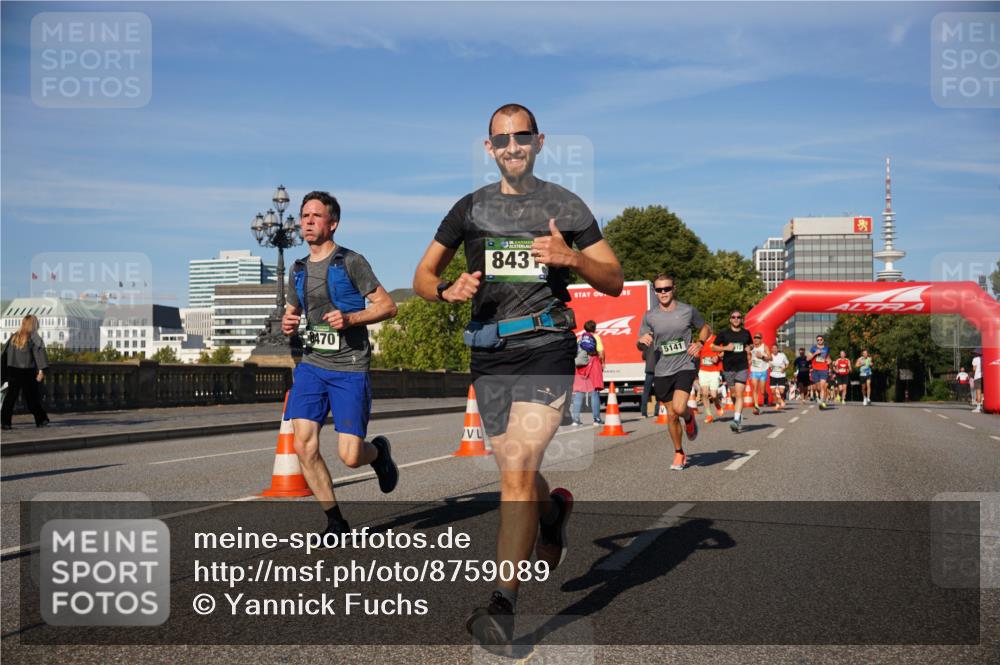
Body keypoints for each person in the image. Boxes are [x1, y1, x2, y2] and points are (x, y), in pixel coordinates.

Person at [412, 103, 623, 649]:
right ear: (489, 148)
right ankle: (553, 515)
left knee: (517, 471)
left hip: (547, 344)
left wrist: (571, 259)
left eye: (521, 137)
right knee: (518, 472)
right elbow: (422, 275)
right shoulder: (470, 208)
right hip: (490, 353)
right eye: (501, 139)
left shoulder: (563, 204)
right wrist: (445, 290)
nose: (512, 146)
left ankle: (502, 607)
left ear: (538, 141)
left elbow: (615, 280)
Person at [281, 191, 400, 538]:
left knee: (350, 455)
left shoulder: (351, 261)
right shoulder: (298, 268)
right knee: (303, 444)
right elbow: (294, 311)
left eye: (316, 216)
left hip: (349, 367)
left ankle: (377, 453)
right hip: (312, 365)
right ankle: (335, 521)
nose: (307, 221)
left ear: (332, 223)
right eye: (304, 216)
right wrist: (289, 321)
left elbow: (388, 306)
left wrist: (351, 318)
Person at [637, 274, 710, 471]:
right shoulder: (650, 315)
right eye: (659, 290)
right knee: (670, 415)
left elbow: (705, 328)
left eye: (667, 289)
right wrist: (642, 341)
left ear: (674, 288)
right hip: (662, 370)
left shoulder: (687, 310)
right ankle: (679, 452)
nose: (663, 293)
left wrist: (700, 342)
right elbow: (640, 340)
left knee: (678, 408)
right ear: (655, 291)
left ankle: (688, 417)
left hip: (684, 366)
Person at [1, 314, 50, 429]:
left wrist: (3, 373)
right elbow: (40, 354)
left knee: (10, 398)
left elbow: (4, 355)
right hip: (27, 371)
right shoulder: (34, 338)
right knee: (32, 398)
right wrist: (42, 371)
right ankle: (41, 420)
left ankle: (5, 422)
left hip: (13, 371)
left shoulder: (14, 337)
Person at [713, 310, 753, 432]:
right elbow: (713, 347)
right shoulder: (724, 333)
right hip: (728, 367)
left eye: (738, 317)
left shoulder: (746, 333)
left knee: (740, 394)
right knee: (734, 395)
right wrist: (725, 348)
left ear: (741, 320)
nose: (736, 319)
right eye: (733, 317)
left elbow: (750, 344)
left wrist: (749, 348)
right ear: (730, 319)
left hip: (742, 366)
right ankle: (738, 413)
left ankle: (736, 420)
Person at [571, 331, 602, 426]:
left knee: (579, 393)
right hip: (592, 365)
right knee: (594, 393)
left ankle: (575, 420)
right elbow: (600, 352)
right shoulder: (595, 338)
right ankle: (596, 419)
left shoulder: (579, 340)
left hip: (580, 368)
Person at [697, 332, 722, 423]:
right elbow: (697, 354)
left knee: (714, 395)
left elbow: (723, 351)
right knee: (704, 393)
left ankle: (718, 405)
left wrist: (717, 356)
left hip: (714, 371)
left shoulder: (717, 339)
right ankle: (709, 415)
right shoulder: (700, 341)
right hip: (703, 370)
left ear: (709, 331)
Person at [748, 333, 771, 415]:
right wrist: (749, 360)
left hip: (763, 370)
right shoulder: (751, 347)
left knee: (762, 390)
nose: (756, 339)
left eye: (758, 337)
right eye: (755, 337)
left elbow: (770, 357)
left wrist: (762, 356)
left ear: (761, 339)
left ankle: (766, 396)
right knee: (754, 387)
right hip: (754, 370)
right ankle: (756, 406)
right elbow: (750, 357)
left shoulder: (764, 347)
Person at [807, 334, 831, 409]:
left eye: (821, 340)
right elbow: (808, 359)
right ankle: (820, 398)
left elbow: (828, 358)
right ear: (816, 341)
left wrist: (829, 361)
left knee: (823, 386)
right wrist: (815, 353)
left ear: (823, 340)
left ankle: (822, 402)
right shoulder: (813, 348)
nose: (819, 341)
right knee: (818, 388)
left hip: (824, 369)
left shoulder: (827, 348)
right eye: (818, 340)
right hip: (815, 370)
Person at [639, 341, 658, 418]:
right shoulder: (660, 341)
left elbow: (643, 356)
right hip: (658, 370)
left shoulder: (647, 343)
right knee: (659, 392)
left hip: (649, 369)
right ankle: (657, 412)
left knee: (646, 392)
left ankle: (644, 413)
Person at [768, 344, 789, 410]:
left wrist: (784, 368)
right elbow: (768, 365)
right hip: (773, 375)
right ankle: (777, 404)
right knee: (773, 391)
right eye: (773, 348)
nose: (774, 350)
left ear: (777, 349)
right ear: (771, 350)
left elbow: (787, 363)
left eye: (775, 348)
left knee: (781, 391)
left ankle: (782, 400)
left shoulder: (782, 355)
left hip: (781, 375)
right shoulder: (770, 356)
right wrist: (769, 366)